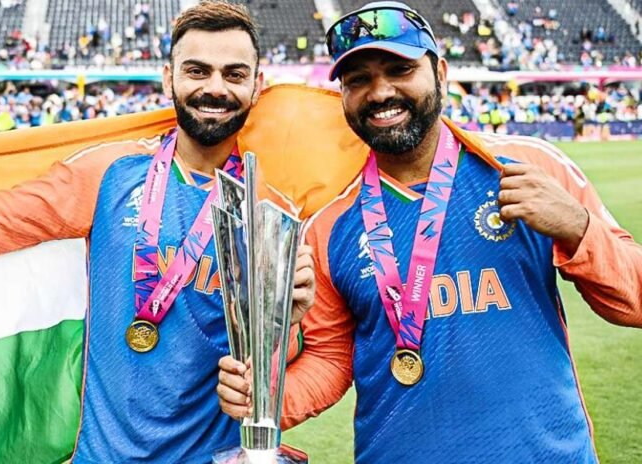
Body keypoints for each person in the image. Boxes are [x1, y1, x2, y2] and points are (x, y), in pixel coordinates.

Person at [216, 2, 642, 462]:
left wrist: (578, 228)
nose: (380, 92)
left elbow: (634, 299)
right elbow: (330, 358)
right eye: (358, 80)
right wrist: (266, 398)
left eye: (400, 69)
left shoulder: (530, 167)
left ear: (440, 72)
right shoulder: (329, 224)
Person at [0, 2, 315, 463]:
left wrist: (285, 321)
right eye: (197, 71)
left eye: (234, 74)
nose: (215, 87)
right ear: (168, 78)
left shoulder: (270, 213)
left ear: (257, 86)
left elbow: (286, 356)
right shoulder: (111, 171)